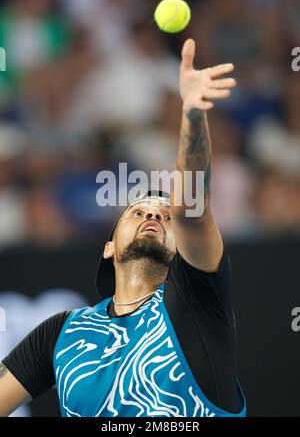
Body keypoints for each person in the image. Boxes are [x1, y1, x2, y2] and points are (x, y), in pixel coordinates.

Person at [0, 39, 246, 417]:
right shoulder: (61, 332)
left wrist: (192, 116)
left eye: (165, 217)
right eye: (137, 213)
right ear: (108, 247)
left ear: (181, 249)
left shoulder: (197, 303)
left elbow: (192, 211)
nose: (153, 216)